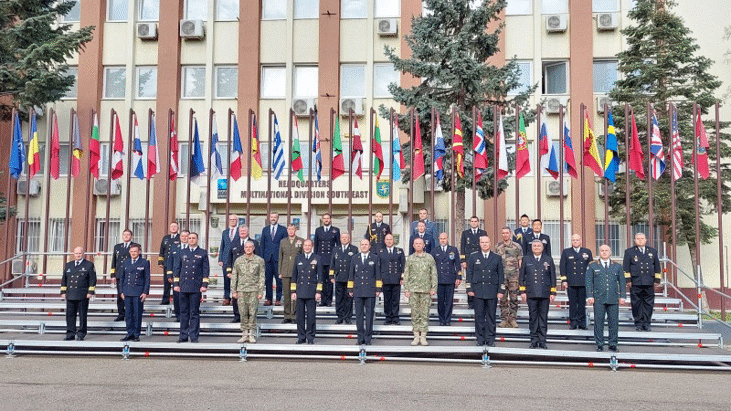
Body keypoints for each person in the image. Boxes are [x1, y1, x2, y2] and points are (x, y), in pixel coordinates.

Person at [587, 244, 626, 352]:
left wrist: (623, 296)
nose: (604, 252)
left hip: (613, 298)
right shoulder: (593, 266)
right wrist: (590, 296)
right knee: (598, 322)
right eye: (602, 250)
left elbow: (622, 282)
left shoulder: (617, 266)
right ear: (599, 252)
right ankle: (599, 343)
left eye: (606, 250)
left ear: (610, 252)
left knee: (614, 322)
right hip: (598, 298)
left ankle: (613, 344)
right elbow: (589, 282)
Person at [466, 236, 504, 346]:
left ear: (490, 243)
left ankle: (491, 339)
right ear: (479, 243)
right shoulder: (473, 257)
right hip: (478, 291)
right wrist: (469, 288)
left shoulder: (496, 257)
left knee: (491, 316)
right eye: (482, 242)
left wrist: (500, 290)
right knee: (479, 316)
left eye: (486, 242)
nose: (484, 244)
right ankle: (480, 339)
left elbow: (501, 275)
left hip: (492, 290)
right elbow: (469, 274)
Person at [519, 239, 556, 349]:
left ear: (542, 247)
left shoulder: (548, 259)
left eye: (538, 246)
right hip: (531, 292)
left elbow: (552, 276)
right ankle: (534, 340)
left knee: (543, 318)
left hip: (544, 293)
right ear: (531, 247)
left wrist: (552, 292)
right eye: (534, 246)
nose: (536, 247)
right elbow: (522, 277)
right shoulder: (526, 259)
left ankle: (543, 340)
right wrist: (522, 291)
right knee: (533, 317)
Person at [174, 232, 210, 343]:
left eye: (193, 238)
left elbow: (206, 270)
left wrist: (204, 285)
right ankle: (183, 336)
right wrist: (176, 284)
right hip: (183, 286)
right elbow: (177, 269)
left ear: (197, 239)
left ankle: (194, 336)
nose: (191, 240)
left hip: (196, 286)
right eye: (189, 238)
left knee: (194, 312)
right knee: (184, 312)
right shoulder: (182, 252)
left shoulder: (202, 253)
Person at [623, 233, 661, 331]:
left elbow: (657, 266)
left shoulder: (652, 251)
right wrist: (628, 280)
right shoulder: (629, 252)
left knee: (649, 304)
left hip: (649, 281)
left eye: (642, 238)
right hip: (635, 282)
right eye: (638, 239)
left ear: (646, 240)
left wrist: (657, 279)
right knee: (636, 303)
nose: (640, 240)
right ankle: (639, 323)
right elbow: (626, 268)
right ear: (634, 240)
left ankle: (647, 323)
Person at [402, 237, 437, 346]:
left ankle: (423, 336)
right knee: (415, 314)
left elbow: (434, 274)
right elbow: (406, 274)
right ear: (413, 245)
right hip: (413, 290)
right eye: (416, 243)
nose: (418, 245)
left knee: (425, 314)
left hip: (426, 290)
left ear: (423, 245)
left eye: (420, 243)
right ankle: (416, 336)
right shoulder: (411, 259)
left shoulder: (429, 258)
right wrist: (406, 289)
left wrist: (433, 287)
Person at [231, 240, 265, 343]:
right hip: (241, 290)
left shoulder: (259, 260)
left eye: (250, 247)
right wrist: (234, 291)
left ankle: (251, 334)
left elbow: (261, 276)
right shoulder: (238, 260)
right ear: (244, 249)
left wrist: (260, 291)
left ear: (253, 248)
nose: (248, 249)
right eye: (246, 247)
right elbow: (234, 276)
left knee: (253, 312)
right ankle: (244, 333)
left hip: (254, 290)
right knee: (243, 312)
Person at [348, 239, 381, 345]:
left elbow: (378, 274)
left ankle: (368, 338)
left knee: (370, 315)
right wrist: (350, 289)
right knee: (359, 315)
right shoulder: (354, 258)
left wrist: (378, 289)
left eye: (366, 244)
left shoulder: (374, 258)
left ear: (369, 246)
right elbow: (351, 274)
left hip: (370, 290)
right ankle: (360, 338)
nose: (364, 246)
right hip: (358, 290)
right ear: (360, 246)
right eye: (362, 244)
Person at [61, 246, 96, 341]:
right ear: (73, 254)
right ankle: (70, 333)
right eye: (76, 253)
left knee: (82, 315)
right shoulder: (68, 265)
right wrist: (63, 291)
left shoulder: (89, 265)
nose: (78, 255)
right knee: (70, 315)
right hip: (70, 294)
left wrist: (90, 292)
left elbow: (92, 280)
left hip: (82, 294)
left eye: (80, 253)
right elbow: (64, 279)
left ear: (83, 254)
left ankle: (81, 333)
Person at [291, 239, 322, 344]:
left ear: (312, 246)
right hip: (300, 290)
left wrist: (318, 292)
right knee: (299, 316)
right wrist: (293, 291)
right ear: (303, 247)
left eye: (309, 245)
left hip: (311, 291)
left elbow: (320, 278)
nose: (307, 247)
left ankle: (310, 337)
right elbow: (294, 276)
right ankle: (301, 337)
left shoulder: (317, 258)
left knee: (311, 316)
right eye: (305, 245)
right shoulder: (298, 258)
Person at [226, 226, 260, 323]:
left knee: (249, 297)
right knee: (236, 295)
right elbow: (229, 258)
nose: (242, 232)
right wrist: (229, 271)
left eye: (244, 231)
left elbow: (258, 258)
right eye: (241, 231)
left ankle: (249, 317)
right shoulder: (233, 243)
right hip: (237, 275)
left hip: (250, 275)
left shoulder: (254, 243)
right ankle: (237, 316)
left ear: (248, 232)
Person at [559, 234, 593, 330]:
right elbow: (563, 267)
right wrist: (564, 280)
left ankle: (582, 322)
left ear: (581, 241)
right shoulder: (566, 252)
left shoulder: (587, 252)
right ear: (571, 241)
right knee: (573, 303)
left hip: (583, 282)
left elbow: (590, 267)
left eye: (577, 240)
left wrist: (590, 281)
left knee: (582, 303)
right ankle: (573, 322)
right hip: (571, 282)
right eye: (573, 240)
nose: (575, 241)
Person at [118, 243, 149, 342]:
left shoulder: (144, 262)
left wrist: (145, 292)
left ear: (139, 252)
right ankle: (129, 333)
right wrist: (121, 291)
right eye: (131, 252)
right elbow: (122, 277)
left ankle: (136, 334)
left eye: (135, 251)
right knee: (128, 314)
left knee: (137, 314)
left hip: (138, 292)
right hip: (127, 291)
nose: (133, 253)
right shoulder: (125, 262)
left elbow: (147, 278)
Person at [495, 226, 523, 328]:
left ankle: (512, 319)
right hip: (502, 278)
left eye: (507, 233)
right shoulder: (498, 246)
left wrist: (521, 277)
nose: (505, 235)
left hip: (514, 278)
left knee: (514, 298)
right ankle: (504, 319)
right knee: (502, 299)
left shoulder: (517, 246)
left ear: (510, 234)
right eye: (503, 233)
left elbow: (520, 262)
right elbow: (495, 263)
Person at [431, 233, 461, 326]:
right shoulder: (434, 250)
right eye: (441, 238)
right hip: (439, 279)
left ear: (448, 239)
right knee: (440, 301)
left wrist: (458, 277)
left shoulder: (453, 250)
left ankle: (447, 319)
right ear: (439, 239)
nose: (443, 240)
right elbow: (431, 266)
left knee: (449, 301)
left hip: (450, 279)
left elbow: (458, 264)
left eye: (444, 238)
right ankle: (441, 319)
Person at [278, 224, 304, 324]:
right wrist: (280, 271)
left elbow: (302, 257)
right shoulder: (283, 241)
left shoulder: (301, 241)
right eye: (289, 229)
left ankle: (294, 315)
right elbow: (280, 256)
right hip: (285, 271)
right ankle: (287, 315)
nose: (291, 231)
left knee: (295, 295)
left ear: (295, 230)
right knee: (286, 295)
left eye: (292, 229)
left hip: (296, 272)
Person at [329, 232, 358, 324]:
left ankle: (348, 317)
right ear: (340, 239)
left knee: (349, 298)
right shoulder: (336, 249)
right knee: (339, 298)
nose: (344, 239)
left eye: (346, 237)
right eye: (343, 237)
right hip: (339, 277)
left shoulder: (354, 249)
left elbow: (356, 264)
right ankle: (340, 316)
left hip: (349, 278)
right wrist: (331, 275)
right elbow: (332, 263)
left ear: (349, 239)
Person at [377, 234, 405, 325]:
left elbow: (403, 265)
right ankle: (388, 317)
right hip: (385, 279)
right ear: (385, 241)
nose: (389, 241)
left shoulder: (399, 251)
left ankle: (396, 317)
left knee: (396, 299)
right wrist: (379, 279)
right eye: (387, 239)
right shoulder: (380, 252)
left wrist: (402, 278)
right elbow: (378, 266)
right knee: (387, 299)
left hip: (396, 279)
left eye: (390, 239)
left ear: (393, 241)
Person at [261, 213, 288, 306]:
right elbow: (262, 245)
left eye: (275, 217)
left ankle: (278, 299)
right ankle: (268, 298)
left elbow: (285, 245)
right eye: (271, 217)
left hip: (278, 258)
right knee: (268, 280)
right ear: (269, 218)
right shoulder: (265, 230)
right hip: (267, 258)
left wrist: (284, 258)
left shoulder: (283, 229)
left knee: (279, 280)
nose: (273, 219)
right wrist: (262, 258)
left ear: (278, 218)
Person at [460, 216, 486, 310]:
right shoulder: (465, 233)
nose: (474, 223)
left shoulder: (483, 233)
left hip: (480, 260)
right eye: (472, 221)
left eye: (475, 221)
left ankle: (479, 300)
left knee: (479, 280)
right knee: (469, 280)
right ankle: (470, 302)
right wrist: (463, 260)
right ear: (469, 223)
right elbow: (462, 247)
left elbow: (485, 246)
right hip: (469, 260)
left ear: (478, 222)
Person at [314, 213, 340, 306]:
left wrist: (336, 258)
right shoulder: (318, 230)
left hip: (330, 259)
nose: (326, 220)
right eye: (324, 218)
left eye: (327, 218)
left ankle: (328, 301)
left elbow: (338, 245)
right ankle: (322, 300)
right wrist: (315, 258)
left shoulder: (335, 230)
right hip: (320, 258)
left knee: (330, 280)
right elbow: (316, 245)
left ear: (330, 219)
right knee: (321, 279)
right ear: (322, 219)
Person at [165, 230, 189, 322]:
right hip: (176, 276)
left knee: (187, 296)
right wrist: (169, 274)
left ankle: (187, 315)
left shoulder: (191, 248)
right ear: (180, 237)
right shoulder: (175, 247)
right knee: (177, 296)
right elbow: (170, 261)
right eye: (182, 236)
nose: (184, 238)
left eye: (186, 236)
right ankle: (178, 315)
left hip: (187, 276)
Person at [110, 229, 133, 321]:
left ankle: (130, 314)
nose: (126, 236)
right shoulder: (117, 247)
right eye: (124, 235)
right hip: (119, 274)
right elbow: (114, 261)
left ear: (131, 236)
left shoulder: (135, 246)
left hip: (130, 274)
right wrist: (113, 274)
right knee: (120, 295)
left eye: (128, 235)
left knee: (130, 295)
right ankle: (121, 314)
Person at [218, 215, 240, 306]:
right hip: (226, 259)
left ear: (237, 221)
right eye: (231, 219)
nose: (232, 221)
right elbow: (222, 246)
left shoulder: (240, 231)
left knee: (237, 280)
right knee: (226, 279)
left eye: (234, 220)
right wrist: (220, 259)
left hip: (236, 259)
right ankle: (227, 297)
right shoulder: (225, 232)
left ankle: (236, 298)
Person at [157, 222, 180, 305]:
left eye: (175, 226)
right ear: (170, 228)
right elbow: (162, 250)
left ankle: (176, 301)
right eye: (172, 226)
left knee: (176, 283)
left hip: (176, 264)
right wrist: (160, 261)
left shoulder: (180, 237)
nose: (173, 228)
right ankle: (165, 300)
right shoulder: (165, 238)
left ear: (178, 228)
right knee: (166, 283)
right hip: (167, 264)